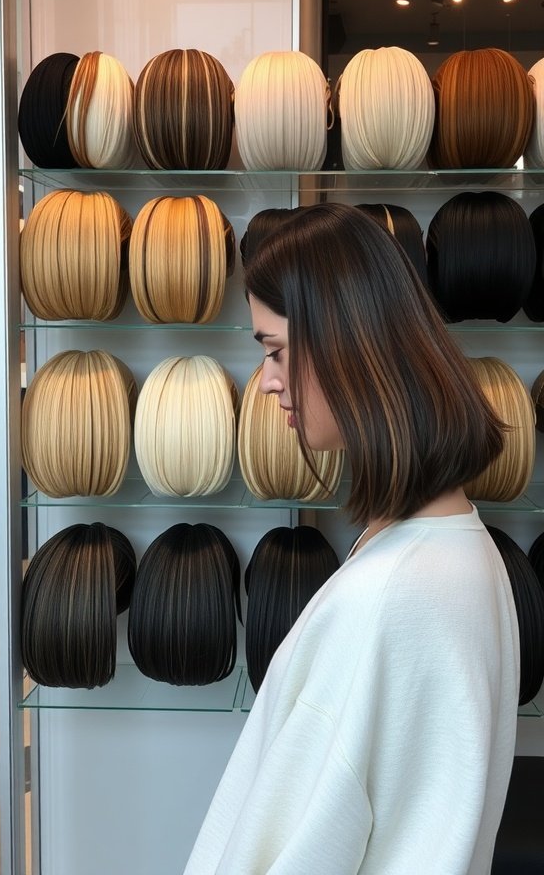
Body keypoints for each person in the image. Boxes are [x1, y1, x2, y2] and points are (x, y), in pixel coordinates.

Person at [183, 202, 520, 875]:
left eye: (276, 350)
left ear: (348, 339)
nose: (268, 380)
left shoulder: (388, 595)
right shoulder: (459, 549)